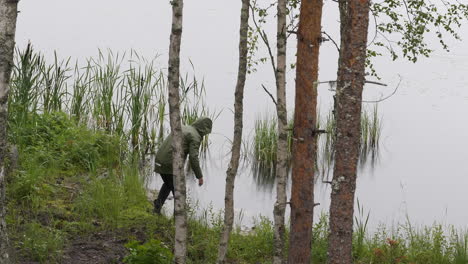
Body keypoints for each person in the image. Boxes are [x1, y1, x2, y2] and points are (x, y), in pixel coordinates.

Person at [153, 117, 213, 214]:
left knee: (168, 184)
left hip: (159, 160)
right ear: (204, 129)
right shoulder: (195, 136)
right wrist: (199, 176)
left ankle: (156, 209)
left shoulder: (183, 127)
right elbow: (193, 158)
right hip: (170, 164)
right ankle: (177, 221)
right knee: (179, 193)